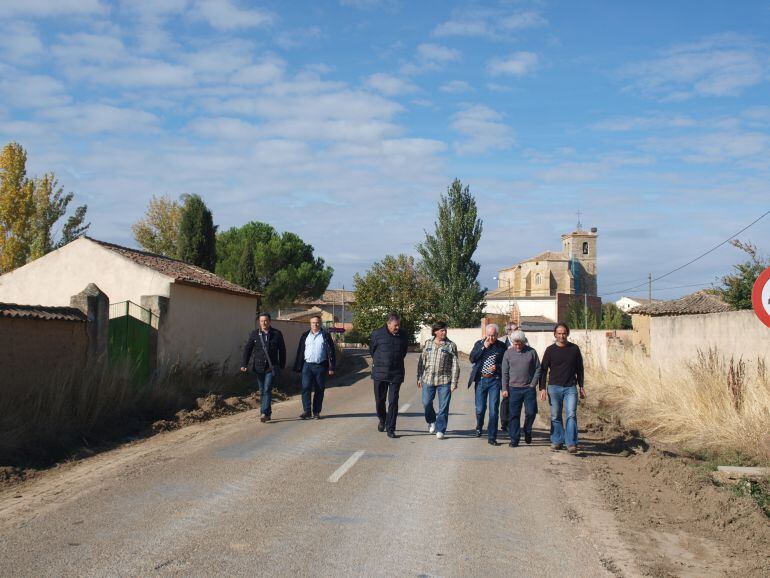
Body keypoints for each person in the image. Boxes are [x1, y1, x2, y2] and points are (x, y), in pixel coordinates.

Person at [539, 323, 585, 454]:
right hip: (554, 387)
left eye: (564, 333)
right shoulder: (550, 350)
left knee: (571, 415)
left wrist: (581, 386)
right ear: (555, 334)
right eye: (559, 333)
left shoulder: (574, 349)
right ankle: (557, 440)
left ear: (567, 334)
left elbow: (580, 369)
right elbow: (543, 370)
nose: (561, 336)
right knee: (555, 416)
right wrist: (542, 388)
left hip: (570, 387)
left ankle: (571, 443)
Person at [417, 321, 460, 440]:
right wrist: (419, 377)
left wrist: (454, 382)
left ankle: (441, 429)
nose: (444, 332)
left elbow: (455, 365)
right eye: (442, 330)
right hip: (428, 379)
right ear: (435, 331)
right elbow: (421, 361)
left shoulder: (451, 345)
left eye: (445, 330)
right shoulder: (428, 343)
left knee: (443, 407)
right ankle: (431, 421)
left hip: (444, 381)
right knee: (426, 403)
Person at [240, 312, 286, 423]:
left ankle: (264, 412)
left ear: (270, 321)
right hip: (259, 367)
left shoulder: (277, 334)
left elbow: (282, 350)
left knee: (267, 389)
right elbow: (248, 349)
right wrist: (244, 364)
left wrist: (281, 365)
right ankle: (267, 414)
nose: (264, 323)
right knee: (262, 390)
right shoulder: (254, 334)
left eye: (266, 321)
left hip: (271, 366)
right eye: (261, 321)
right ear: (259, 322)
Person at [369, 313, 409, 438]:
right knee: (380, 401)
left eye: (399, 325)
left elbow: (404, 352)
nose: (397, 327)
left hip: (396, 373)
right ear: (388, 324)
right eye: (395, 325)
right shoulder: (377, 334)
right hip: (380, 373)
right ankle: (382, 419)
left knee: (393, 401)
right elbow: (372, 350)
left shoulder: (403, 335)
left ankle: (391, 428)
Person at [468, 323, 507, 446]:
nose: (491, 338)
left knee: (493, 410)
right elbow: (472, 359)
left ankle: (492, 437)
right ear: (486, 334)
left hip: (494, 381)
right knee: (480, 409)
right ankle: (479, 426)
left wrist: (497, 367)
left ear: (497, 335)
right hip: (480, 380)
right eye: (489, 335)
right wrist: (483, 347)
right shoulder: (479, 343)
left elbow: (505, 364)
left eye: (493, 336)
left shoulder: (501, 346)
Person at [501, 330, 541, 447]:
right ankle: (514, 439)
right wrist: (504, 388)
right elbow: (505, 372)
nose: (517, 346)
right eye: (515, 344)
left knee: (531, 412)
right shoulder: (508, 353)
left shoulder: (531, 352)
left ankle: (527, 430)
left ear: (524, 342)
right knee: (514, 415)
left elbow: (538, 369)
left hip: (528, 388)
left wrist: (533, 384)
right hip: (513, 389)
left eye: (520, 344)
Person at [294, 315, 336, 419]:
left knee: (319, 389)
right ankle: (307, 411)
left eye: (317, 322)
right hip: (307, 366)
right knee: (306, 387)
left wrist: (331, 367)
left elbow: (332, 352)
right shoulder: (305, 336)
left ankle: (316, 412)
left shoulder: (325, 335)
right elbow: (300, 352)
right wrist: (298, 366)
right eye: (313, 322)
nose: (315, 324)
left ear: (320, 323)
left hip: (320, 366)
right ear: (310, 323)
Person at [499, 322, 519, 433]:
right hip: (505, 374)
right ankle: (504, 423)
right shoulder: (502, 342)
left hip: (518, 375)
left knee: (515, 400)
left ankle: (513, 421)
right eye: (514, 329)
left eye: (517, 329)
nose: (517, 331)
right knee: (506, 398)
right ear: (508, 331)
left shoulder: (523, 340)